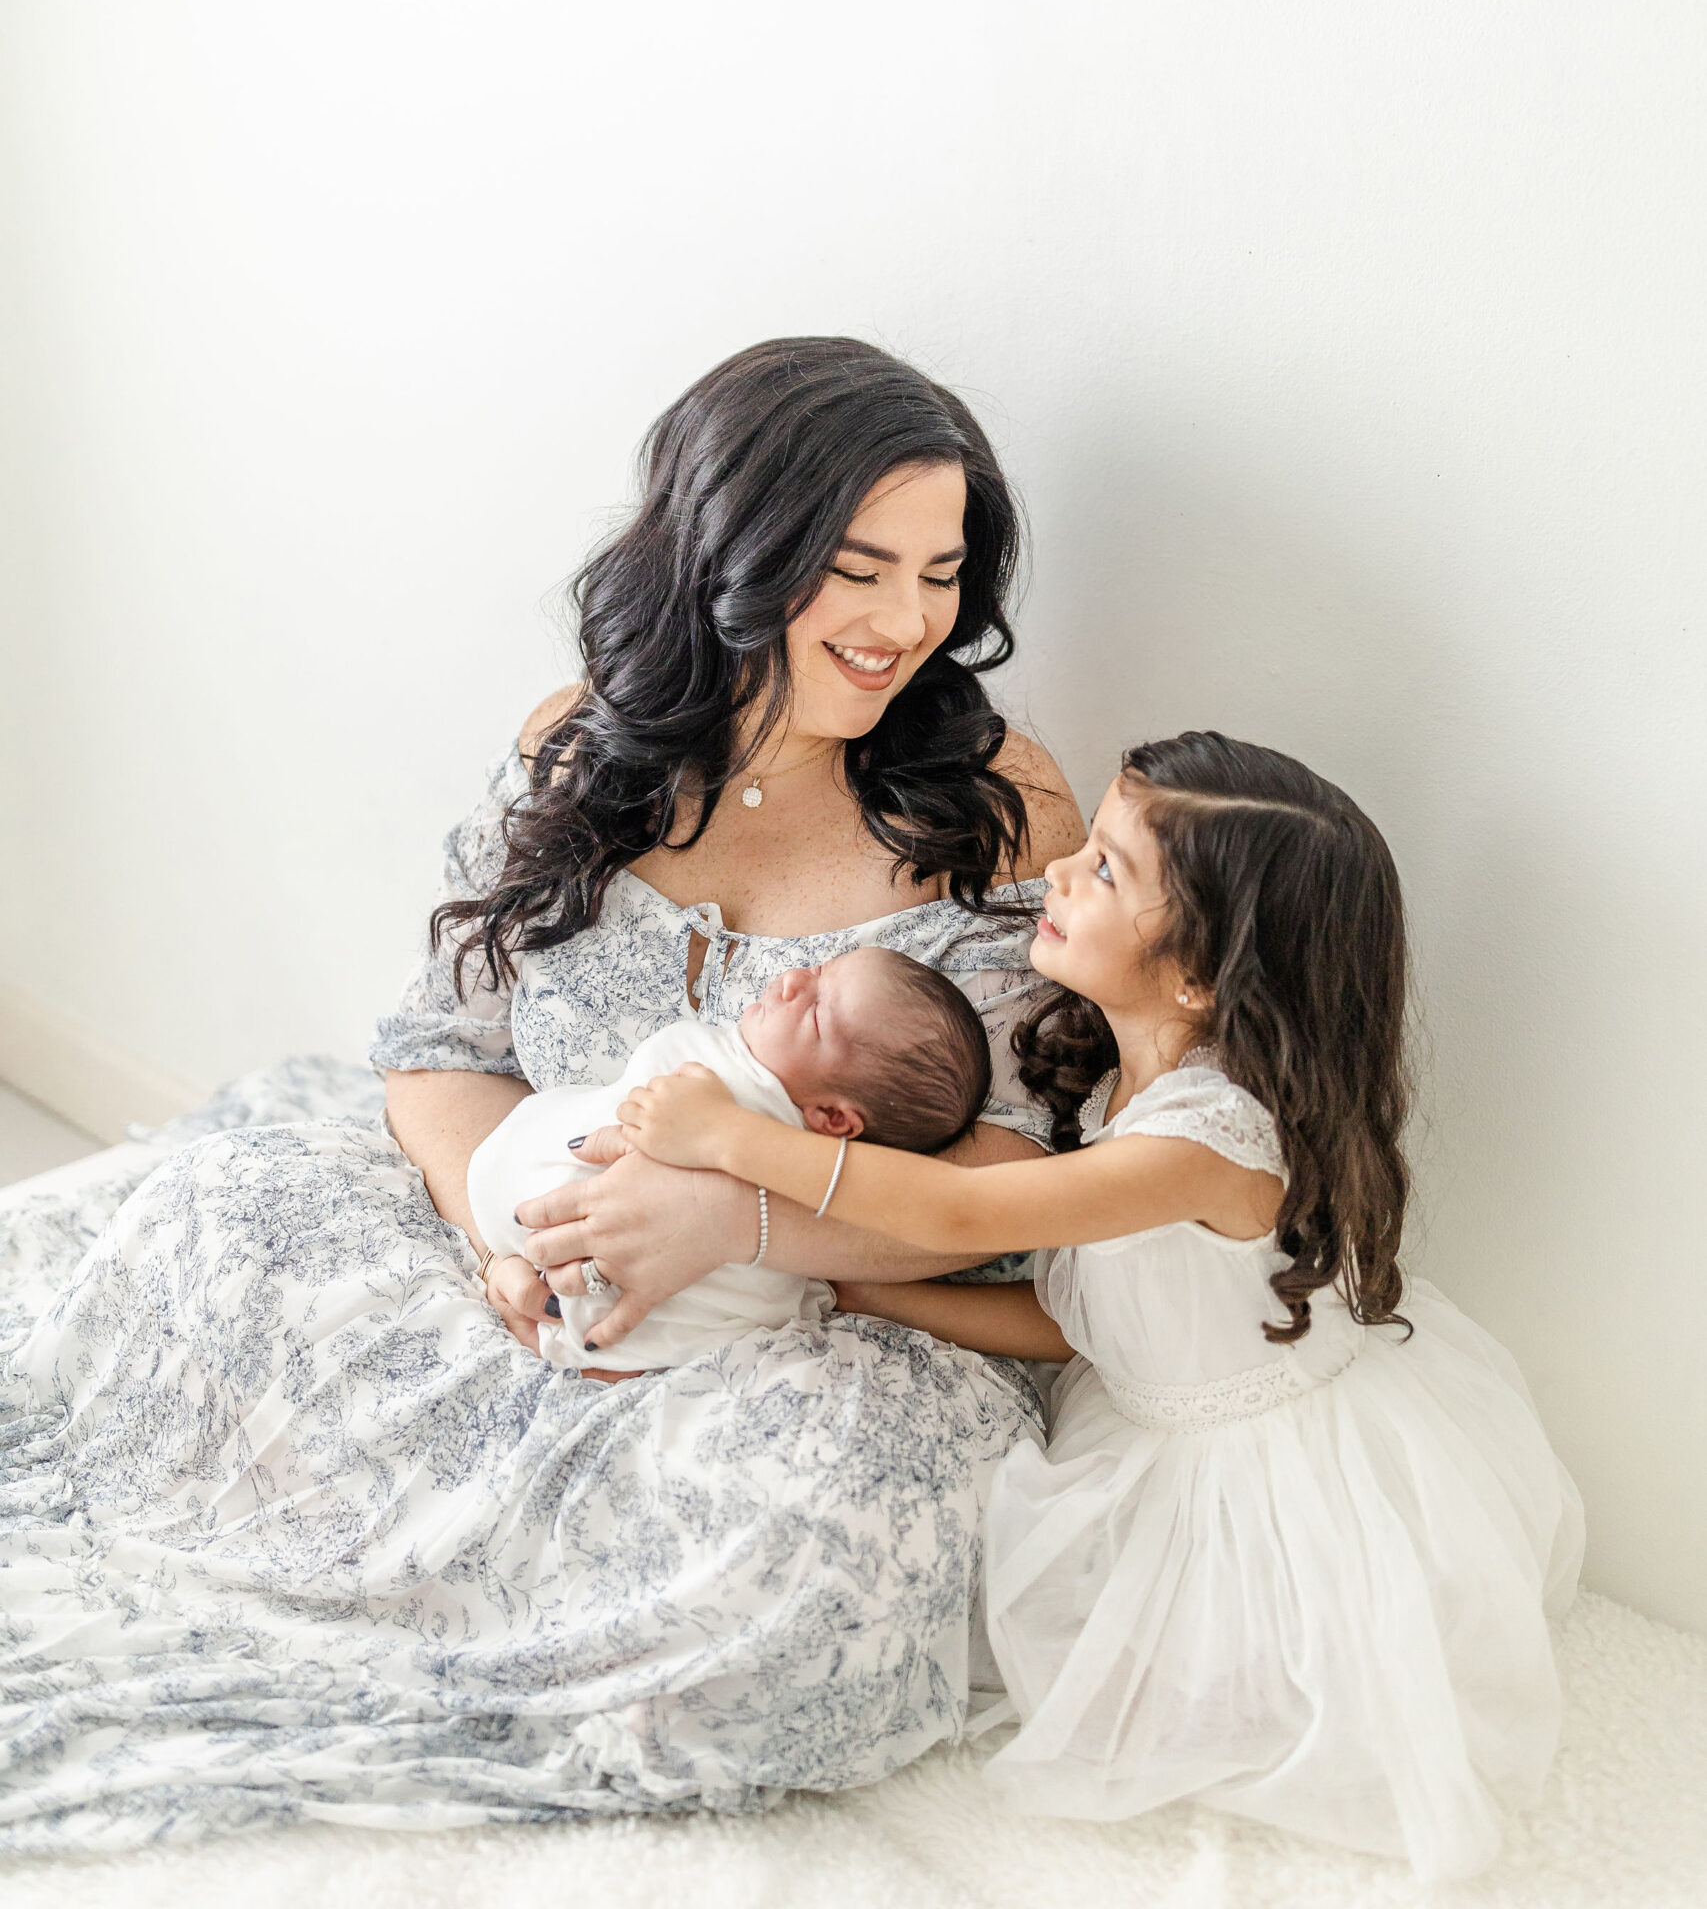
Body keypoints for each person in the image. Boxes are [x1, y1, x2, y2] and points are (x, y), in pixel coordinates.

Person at [0, 336, 1085, 1851]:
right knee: (221, 1213)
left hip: (816, 1327)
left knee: (837, 1542)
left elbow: (1006, 1175)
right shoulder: (582, 745)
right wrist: (506, 1250)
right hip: (516, 1242)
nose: (907, 621)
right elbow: (445, 1052)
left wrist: (733, 1226)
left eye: (940, 572)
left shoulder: (996, 802)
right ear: (733, 547)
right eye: (858, 568)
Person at [612, 730, 1586, 1883]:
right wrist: (868, 1290)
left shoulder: (1205, 1138)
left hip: (1261, 1464)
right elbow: (1089, 1324)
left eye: (1109, 870)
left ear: (1199, 977)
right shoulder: (1127, 1076)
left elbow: (972, 1214)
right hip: (1151, 1406)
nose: (1065, 869)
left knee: (1191, 1691)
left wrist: (739, 1143)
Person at [466, 944, 991, 1372]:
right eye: (817, 970)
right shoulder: (727, 1064)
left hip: (542, 1247)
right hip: (517, 1238)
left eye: (814, 1014)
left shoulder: (767, 1128)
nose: (790, 982)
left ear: (833, 1118)